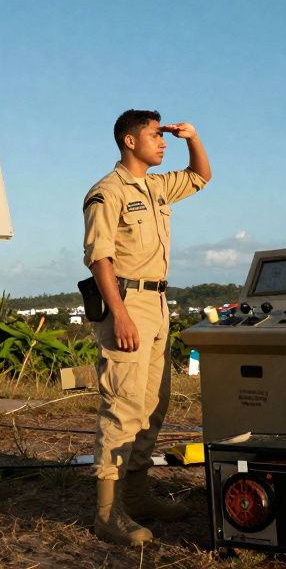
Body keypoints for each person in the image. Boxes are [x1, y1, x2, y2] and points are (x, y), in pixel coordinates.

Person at [81, 109, 211, 546]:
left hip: (157, 301)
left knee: (154, 403)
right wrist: (119, 314)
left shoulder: (156, 186)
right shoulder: (107, 192)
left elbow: (200, 176)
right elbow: (100, 257)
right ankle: (106, 513)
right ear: (130, 141)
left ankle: (135, 496)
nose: (163, 142)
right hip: (127, 301)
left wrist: (192, 136)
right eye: (156, 135)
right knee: (123, 405)